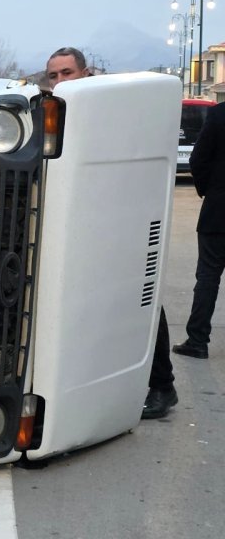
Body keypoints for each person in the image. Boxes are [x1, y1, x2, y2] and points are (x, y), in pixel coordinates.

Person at [45, 47, 178, 419]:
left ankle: (162, 385)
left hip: (118, 221)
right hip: (79, 225)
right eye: (52, 75)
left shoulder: (107, 111)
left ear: (85, 73)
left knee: (139, 298)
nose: (59, 82)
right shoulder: (50, 114)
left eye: (66, 73)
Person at [174, 100, 225, 359]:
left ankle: (197, 340)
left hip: (218, 213)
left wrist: (209, 191)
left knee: (207, 277)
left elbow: (198, 159)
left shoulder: (218, 114)